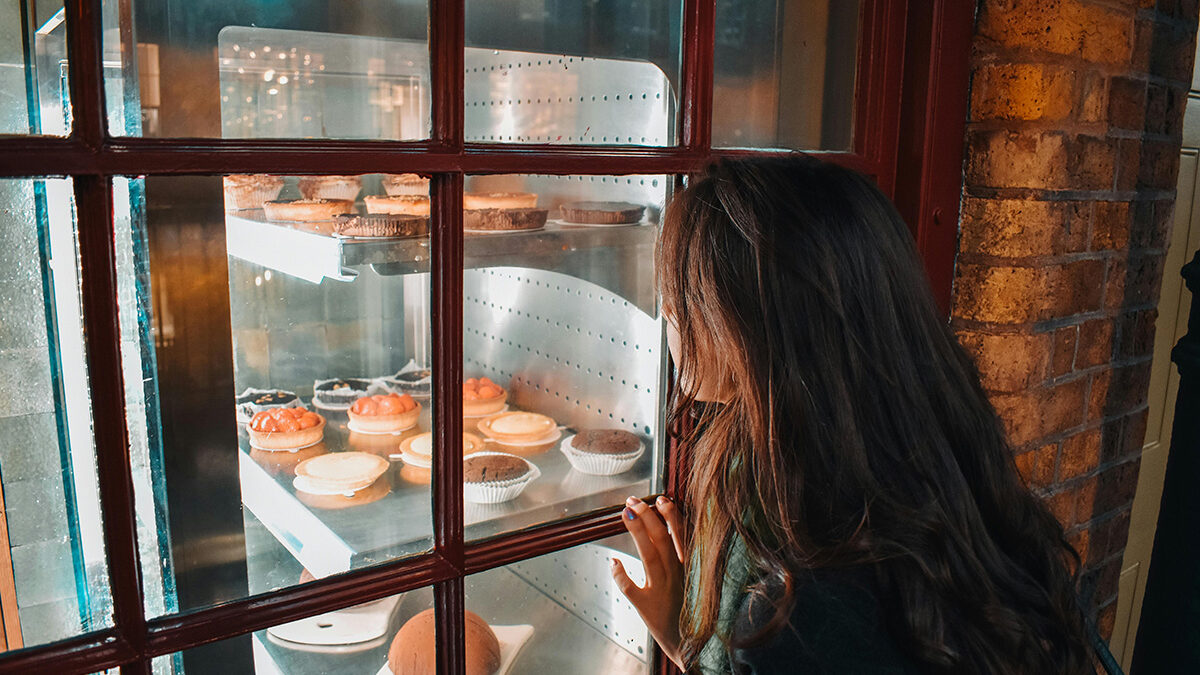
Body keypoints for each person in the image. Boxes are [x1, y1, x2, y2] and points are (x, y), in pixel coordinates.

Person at [611, 157, 1094, 674]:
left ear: (755, 326)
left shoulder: (800, 606)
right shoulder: (930, 468)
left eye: (683, 296)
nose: (669, 316)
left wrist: (690, 646)